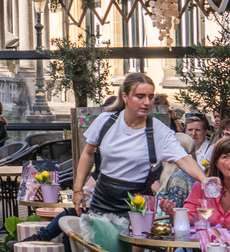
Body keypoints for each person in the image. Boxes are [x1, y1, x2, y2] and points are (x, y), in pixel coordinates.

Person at [70, 73, 209, 218]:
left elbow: (184, 159)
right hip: (102, 200)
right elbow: (88, 153)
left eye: (150, 97)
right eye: (140, 96)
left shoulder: (158, 130)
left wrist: (204, 179)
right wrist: (78, 189)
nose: (147, 102)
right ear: (125, 97)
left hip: (138, 204)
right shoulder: (106, 121)